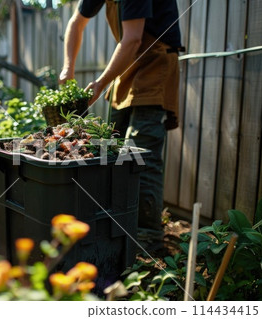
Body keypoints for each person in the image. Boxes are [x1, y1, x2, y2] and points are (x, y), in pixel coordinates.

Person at [59, 0, 183, 252]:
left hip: (155, 63)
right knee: (110, 149)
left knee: (140, 157)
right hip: (128, 67)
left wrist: (101, 82)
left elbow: (133, 39)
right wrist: (67, 69)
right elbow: (76, 22)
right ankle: (115, 225)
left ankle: (147, 239)